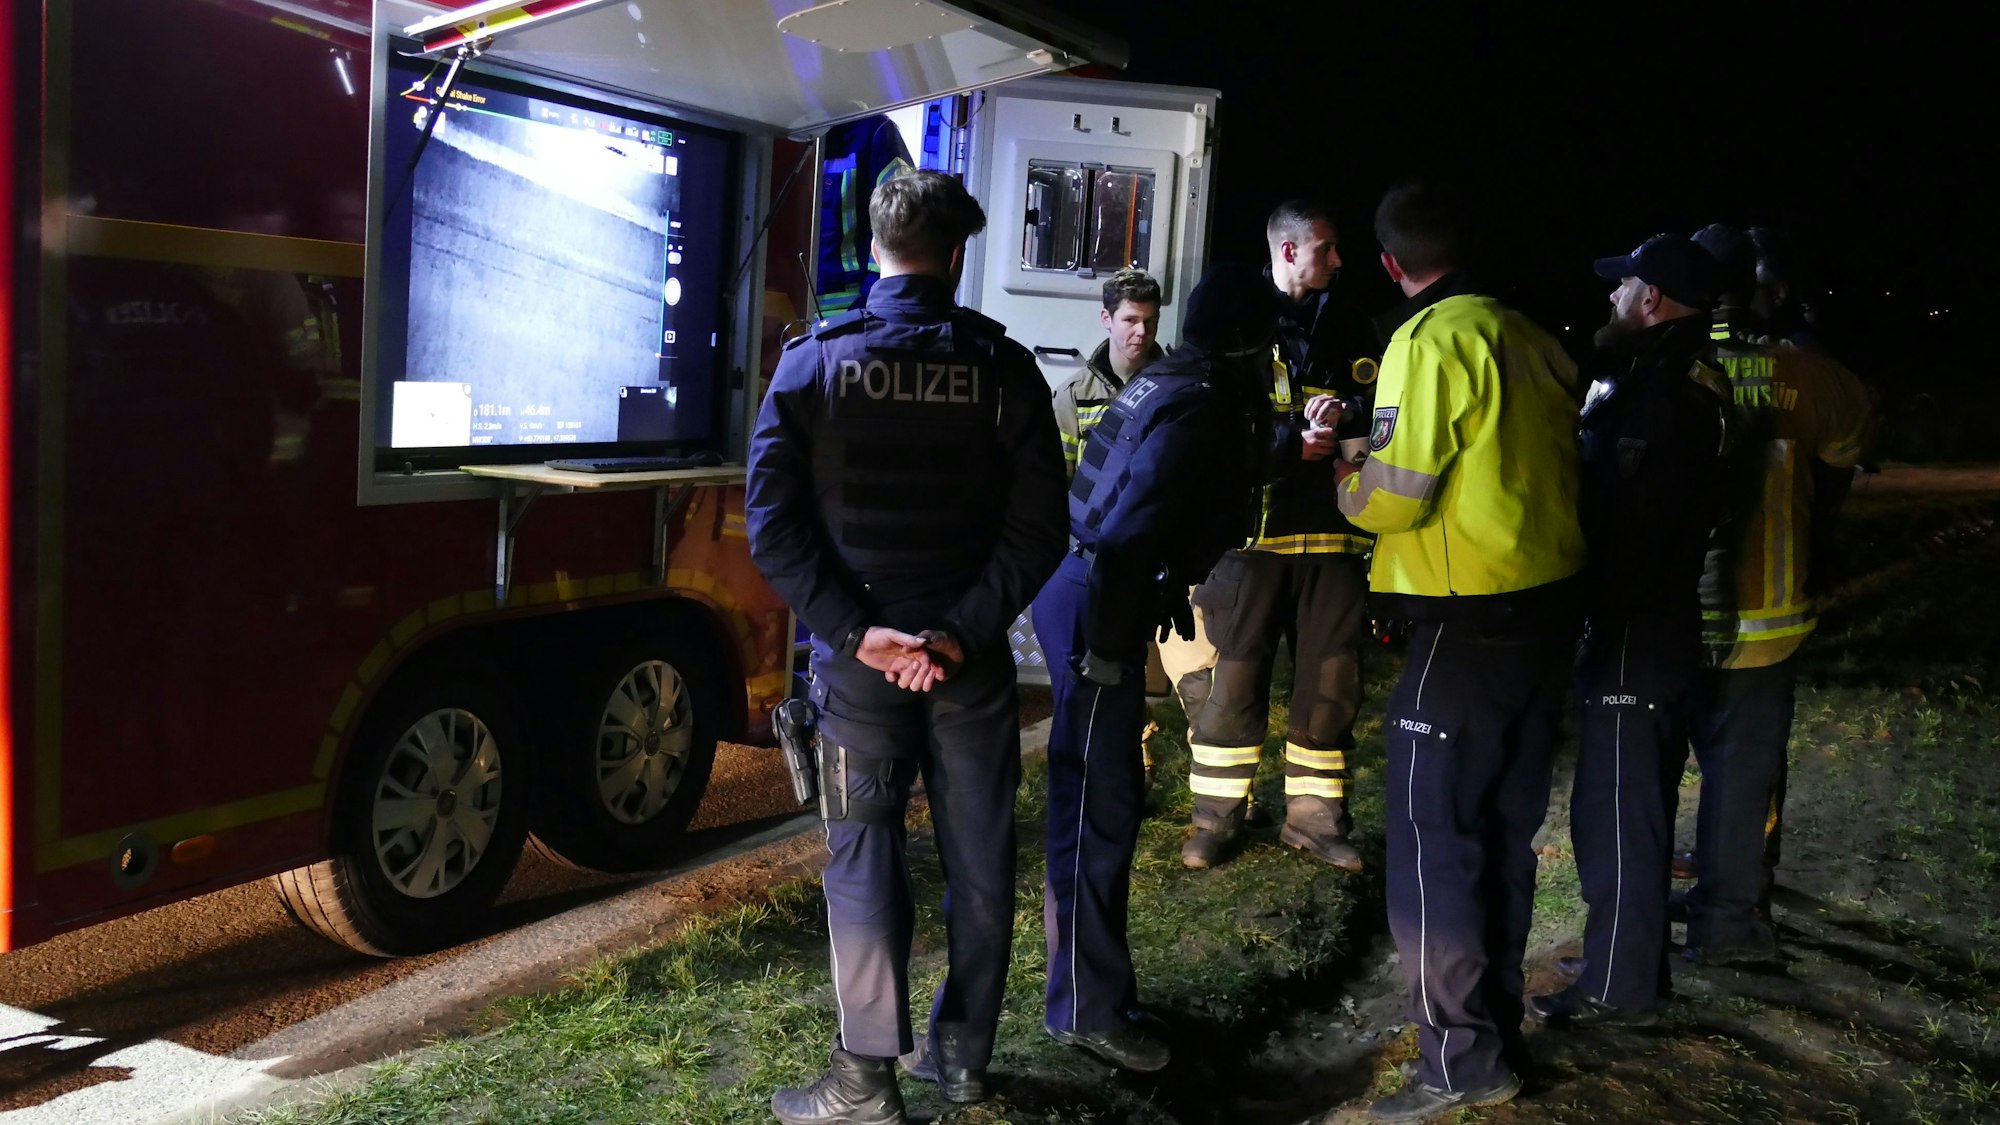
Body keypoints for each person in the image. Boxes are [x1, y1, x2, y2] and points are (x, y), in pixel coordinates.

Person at [747, 169, 1068, 1125]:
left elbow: (772, 526)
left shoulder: (814, 361)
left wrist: (860, 634)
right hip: (967, 668)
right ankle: (963, 1062)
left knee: (864, 859)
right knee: (979, 858)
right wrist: (961, 633)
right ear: (959, 252)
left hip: (861, 668)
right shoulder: (1003, 369)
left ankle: (864, 1082)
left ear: (874, 247)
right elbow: (1040, 528)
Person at [1321, 182, 1585, 1123]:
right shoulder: (1531, 331)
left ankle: (1460, 1063)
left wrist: (1348, 477)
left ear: (1393, 264)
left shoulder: (1427, 340)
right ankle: (1497, 1028)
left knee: (1434, 846)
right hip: (1543, 617)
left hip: (1463, 620)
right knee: (1503, 835)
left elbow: (1397, 495)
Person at [1034, 262, 1274, 1073]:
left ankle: (1090, 991)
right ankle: (1085, 1009)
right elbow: (1130, 528)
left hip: (1100, 593)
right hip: (1097, 598)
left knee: (1104, 799)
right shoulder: (1198, 401)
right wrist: (1110, 647)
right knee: (1098, 805)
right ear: (1246, 343)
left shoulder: (1176, 382)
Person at [1527, 235, 1726, 1029]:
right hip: (1645, 626)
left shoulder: (1664, 396)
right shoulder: (1656, 380)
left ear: (1654, 302)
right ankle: (1628, 954)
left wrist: (1582, 609)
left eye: (1624, 288)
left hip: (1636, 632)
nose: (1610, 300)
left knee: (1619, 812)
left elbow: (1630, 529)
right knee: (1618, 807)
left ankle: (1618, 985)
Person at [1678, 224, 1874, 966]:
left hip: (1668, 613)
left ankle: (1650, 908)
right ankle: (1729, 916)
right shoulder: (1803, 372)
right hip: (1766, 615)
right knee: (1743, 770)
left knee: (1657, 762)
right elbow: (1852, 443)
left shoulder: (1673, 368)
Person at [1181, 199, 1381, 871]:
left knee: (1331, 683)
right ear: (1289, 250)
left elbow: (1382, 407)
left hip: (1333, 536)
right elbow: (1207, 419)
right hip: (1249, 540)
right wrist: (1289, 440)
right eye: (1326, 248)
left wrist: (1344, 410)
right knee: (1233, 684)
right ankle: (1214, 819)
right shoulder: (1234, 318)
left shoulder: (1351, 321)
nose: (1339, 260)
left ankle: (1316, 820)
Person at [1054, 268, 1166, 479]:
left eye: (1150, 321)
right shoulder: (1074, 395)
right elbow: (1059, 477)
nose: (1142, 331)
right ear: (1107, 319)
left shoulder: (1172, 389)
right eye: (1130, 320)